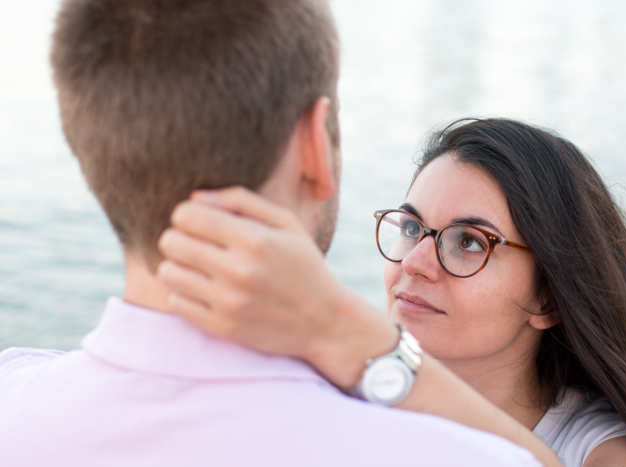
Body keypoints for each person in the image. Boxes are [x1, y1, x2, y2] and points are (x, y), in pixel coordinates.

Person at [0, 2, 546, 466]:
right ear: (313, 146)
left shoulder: (12, 396)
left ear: (90, 152)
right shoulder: (460, 455)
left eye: (468, 242)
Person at [157, 118, 626, 467]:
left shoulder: (600, 449)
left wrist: (361, 345)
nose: (414, 262)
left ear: (549, 300)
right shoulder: (332, 395)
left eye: (469, 243)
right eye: (412, 228)